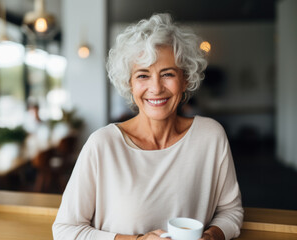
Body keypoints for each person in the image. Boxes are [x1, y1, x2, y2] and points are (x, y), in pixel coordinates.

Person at [53, 13, 243, 240]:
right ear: (129, 83)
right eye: (143, 75)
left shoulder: (211, 136)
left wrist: (213, 236)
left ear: (185, 80)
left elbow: (231, 211)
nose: (156, 88)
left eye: (168, 74)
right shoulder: (103, 145)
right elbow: (65, 229)